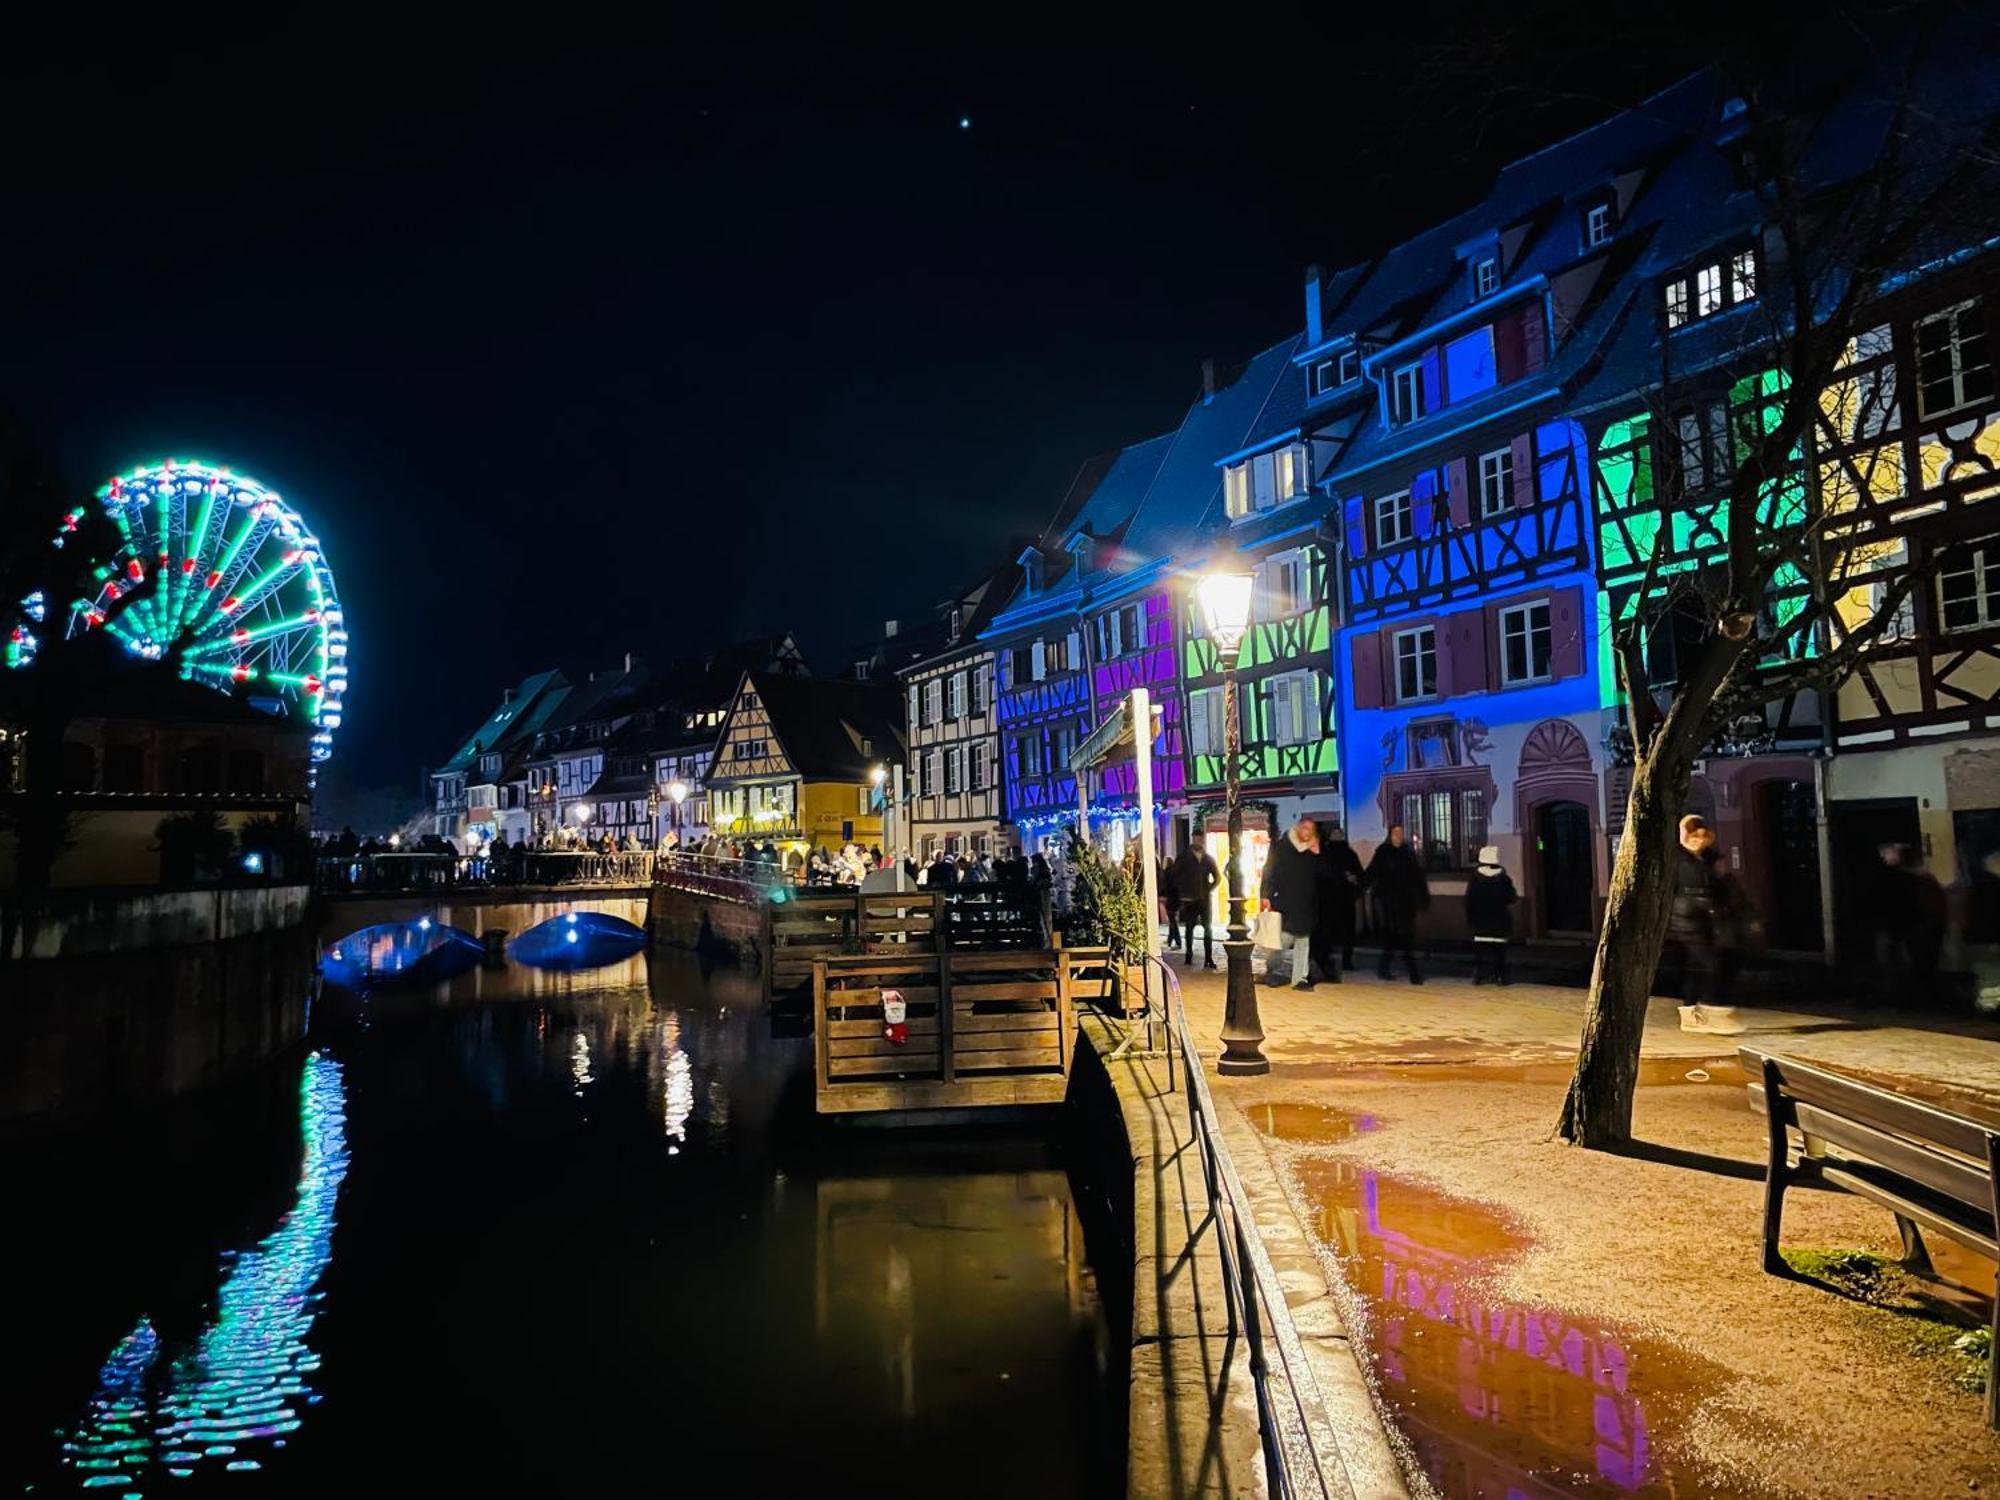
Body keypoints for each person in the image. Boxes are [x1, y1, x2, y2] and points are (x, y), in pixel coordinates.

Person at [1259, 818, 1321, 990]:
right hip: (1286, 902)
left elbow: (1318, 875)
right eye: (1306, 828)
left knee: (1303, 941)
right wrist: (1266, 895)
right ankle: (1272, 970)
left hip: (1306, 903)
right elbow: (1269, 871)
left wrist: (1317, 854)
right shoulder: (1282, 847)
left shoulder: (1311, 851)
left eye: (1311, 829)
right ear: (1299, 828)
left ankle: (1299, 978)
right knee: (1281, 941)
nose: (1308, 832)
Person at [1365, 823, 1429, 983]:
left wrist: (1422, 898)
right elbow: (1372, 872)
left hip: (1406, 902)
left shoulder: (1408, 852)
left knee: (1402, 936)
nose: (1399, 836)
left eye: (1401, 833)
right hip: (1388, 902)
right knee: (1397, 937)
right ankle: (1411, 973)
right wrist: (1360, 886)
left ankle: (1391, 969)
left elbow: (1417, 876)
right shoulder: (1383, 852)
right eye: (1396, 833)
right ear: (1390, 835)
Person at [1670, 815, 1721, 1009]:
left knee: (1695, 967)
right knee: (1709, 963)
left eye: (1702, 835)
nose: (1699, 840)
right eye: (1695, 835)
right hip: (1686, 921)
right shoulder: (1679, 860)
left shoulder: (1708, 858)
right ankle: (1708, 1005)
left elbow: (1716, 886)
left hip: (1706, 919)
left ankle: (1691, 1008)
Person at [1311, 821, 1362, 981]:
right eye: (1336, 833)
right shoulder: (1326, 854)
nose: (1338, 836)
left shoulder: (1347, 853)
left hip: (1343, 898)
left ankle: (1344, 960)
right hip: (1330, 899)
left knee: (1346, 931)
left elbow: (1359, 873)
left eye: (1340, 833)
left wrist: (1354, 879)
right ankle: (1327, 961)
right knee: (1331, 931)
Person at [1464, 845, 1517, 985]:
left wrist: (1471, 918)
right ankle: (1500, 976)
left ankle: (1479, 975)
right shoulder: (1504, 878)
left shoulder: (1475, 879)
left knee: (1480, 950)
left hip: (1480, 921)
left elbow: (1469, 900)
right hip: (1499, 921)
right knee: (1498, 951)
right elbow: (1512, 897)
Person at [1171, 834, 1221, 969]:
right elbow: (1175, 875)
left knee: (1208, 929)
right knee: (1189, 928)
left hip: (1204, 899)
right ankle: (1189, 954)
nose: (1199, 841)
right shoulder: (1184, 858)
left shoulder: (1208, 859)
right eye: (1197, 838)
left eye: (1201, 839)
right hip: (1189, 899)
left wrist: (1208, 889)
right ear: (1193, 839)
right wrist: (1183, 891)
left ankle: (1208, 958)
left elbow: (1217, 877)